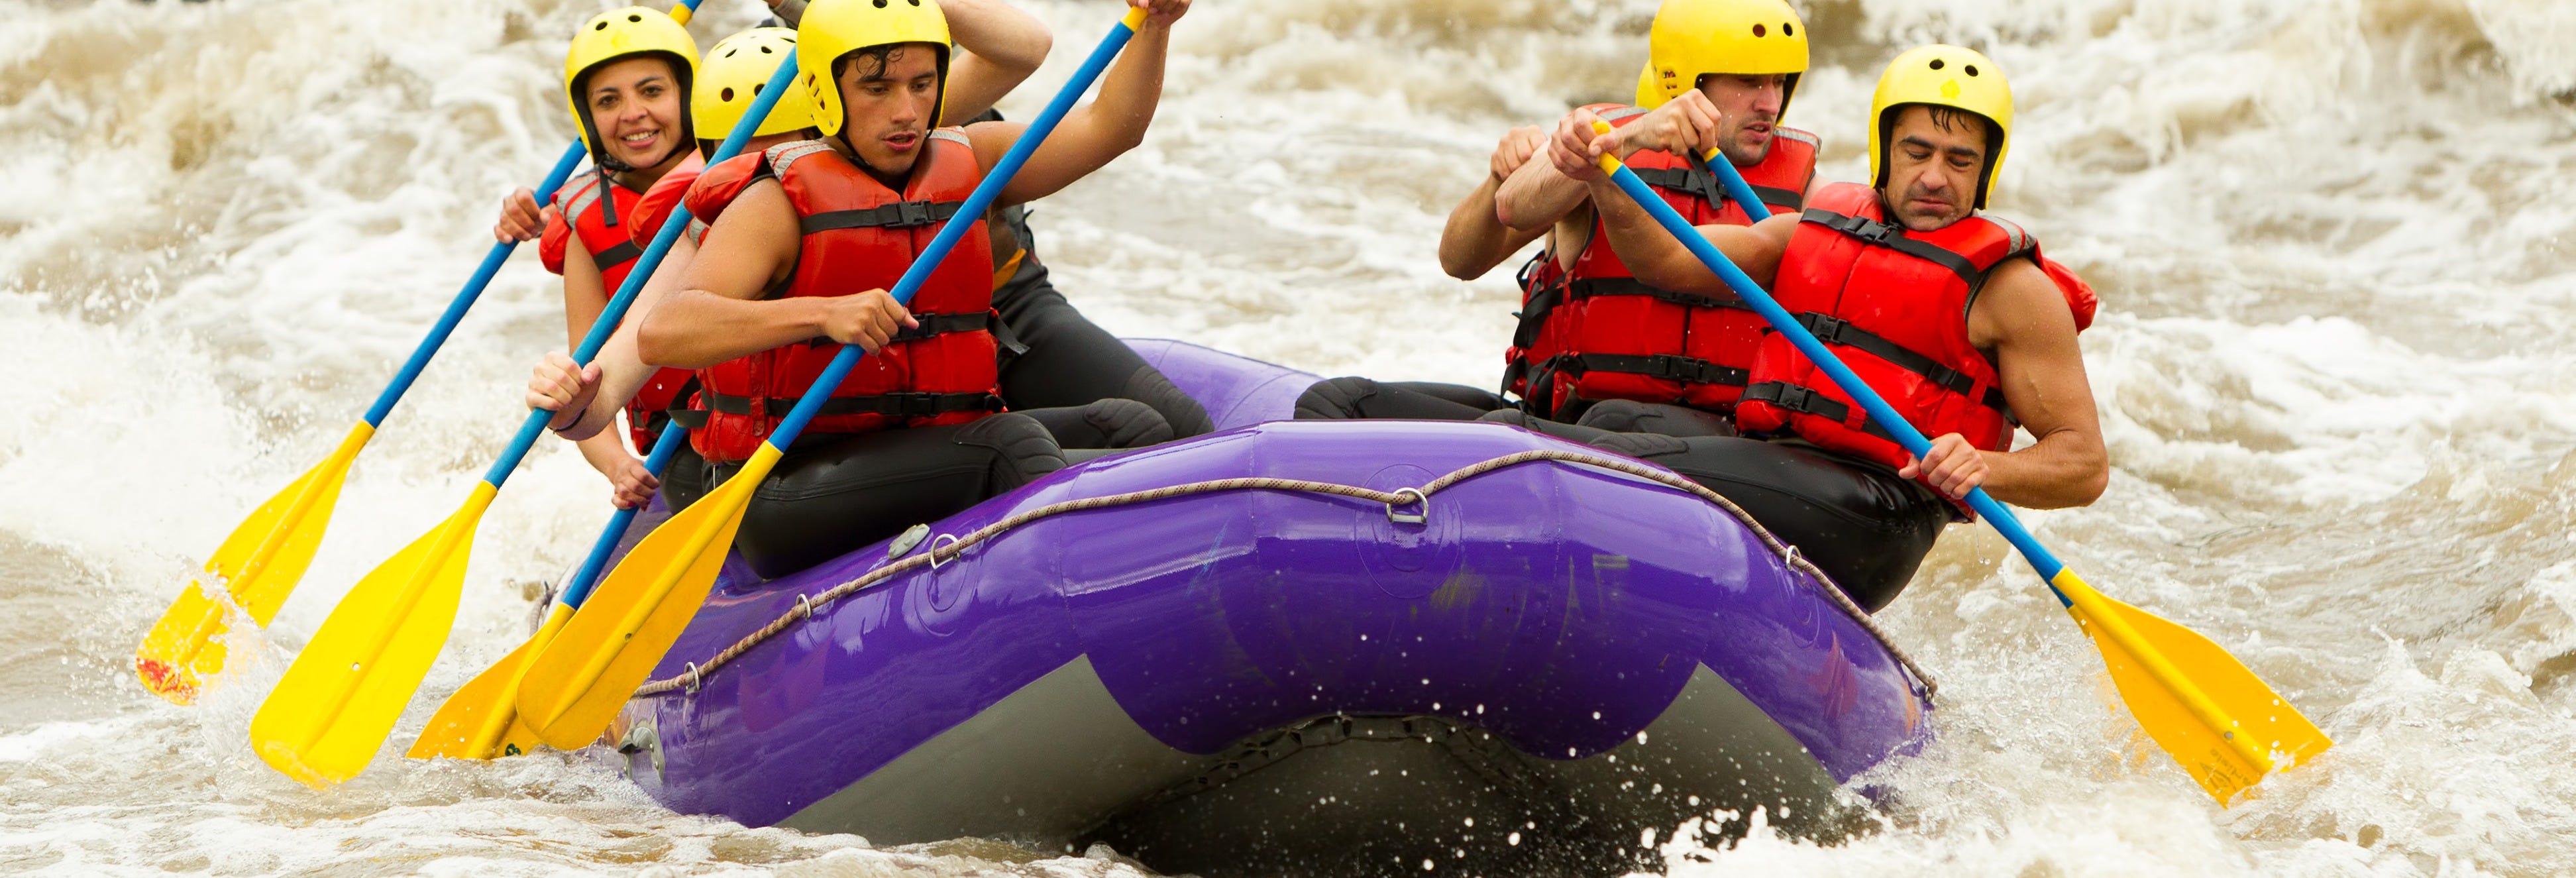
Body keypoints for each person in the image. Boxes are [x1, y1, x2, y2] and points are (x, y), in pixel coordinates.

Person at [617, 0, 1193, 578]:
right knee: (1008, 445)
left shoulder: (974, 158)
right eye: (878, 89)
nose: (906, 111)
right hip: (787, 488)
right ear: (825, 93)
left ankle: (1171, 583)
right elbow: (665, 331)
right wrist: (821, 314)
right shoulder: (774, 201)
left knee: (1131, 425)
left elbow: (1111, 128)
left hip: (919, 443)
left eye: (922, 85)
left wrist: (1155, 26)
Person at [1534, 44, 2108, 611]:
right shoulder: (1821, 227)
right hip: (1784, 460)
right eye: (1918, 152)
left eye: (1959, 161)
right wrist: (1606, 182)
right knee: (1613, 419)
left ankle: (1501, 473)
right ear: (1885, 152)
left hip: (1874, 511)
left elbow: (2084, 464)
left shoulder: (2013, 290)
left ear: (1986, 170)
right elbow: (1665, 262)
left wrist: (1987, 465)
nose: (1935, 177)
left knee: (1616, 459)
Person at [515, 4, 1069, 512]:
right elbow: (614, 377)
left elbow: (1023, 50)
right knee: (1013, 449)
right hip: (748, 455)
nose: (770, 170)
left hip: (877, 427)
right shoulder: (707, 217)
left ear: (825, 125)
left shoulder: (876, 137)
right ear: (712, 154)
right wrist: (574, 407)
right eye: (751, 150)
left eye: (789, 146)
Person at [1299, 0, 1819, 433]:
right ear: (1684, 82)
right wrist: (1502, 177)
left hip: (1717, 446)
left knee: (1622, 423)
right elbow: (1466, 253)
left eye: (1779, 82)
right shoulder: (1601, 151)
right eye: (1750, 82)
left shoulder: (1805, 189)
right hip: (1578, 428)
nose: (1769, 103)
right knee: (1335, 404)